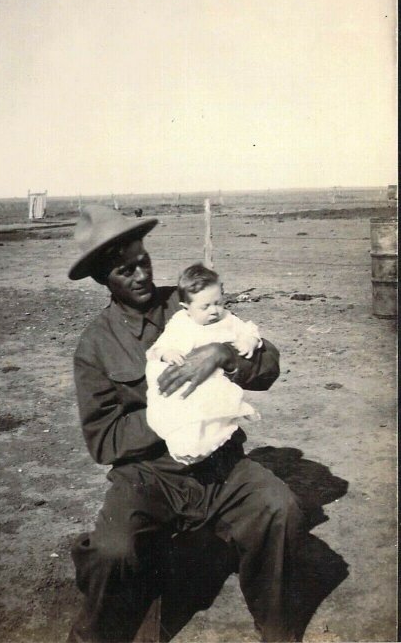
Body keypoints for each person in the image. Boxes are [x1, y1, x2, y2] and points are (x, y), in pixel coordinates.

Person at [67, 205, 304, 643]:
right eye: (125, 270)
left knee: (280, 507)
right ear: (105, 279)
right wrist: (172, 415)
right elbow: (104, 441)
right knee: (112, 551)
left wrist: (224, 355)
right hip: (150, 475)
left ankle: (279, 630)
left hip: (221, 463)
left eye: (144, 262)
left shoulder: (190, 300)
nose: (140, 276)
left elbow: (267, 365)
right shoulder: (95, 346)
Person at [145, 262, 262, 464]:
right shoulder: (180, 322)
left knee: (214, 418)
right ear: (186, 308)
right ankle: (187, 448)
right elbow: (157, 349)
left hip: (214, 383)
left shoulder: (227, 318)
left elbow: (249, 330)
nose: (214, 311)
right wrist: (167, 352)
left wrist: (248, 341)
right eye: (205, 306)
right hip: (182, 380)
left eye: (218, 302)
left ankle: (208, 446)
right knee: (184, 415)